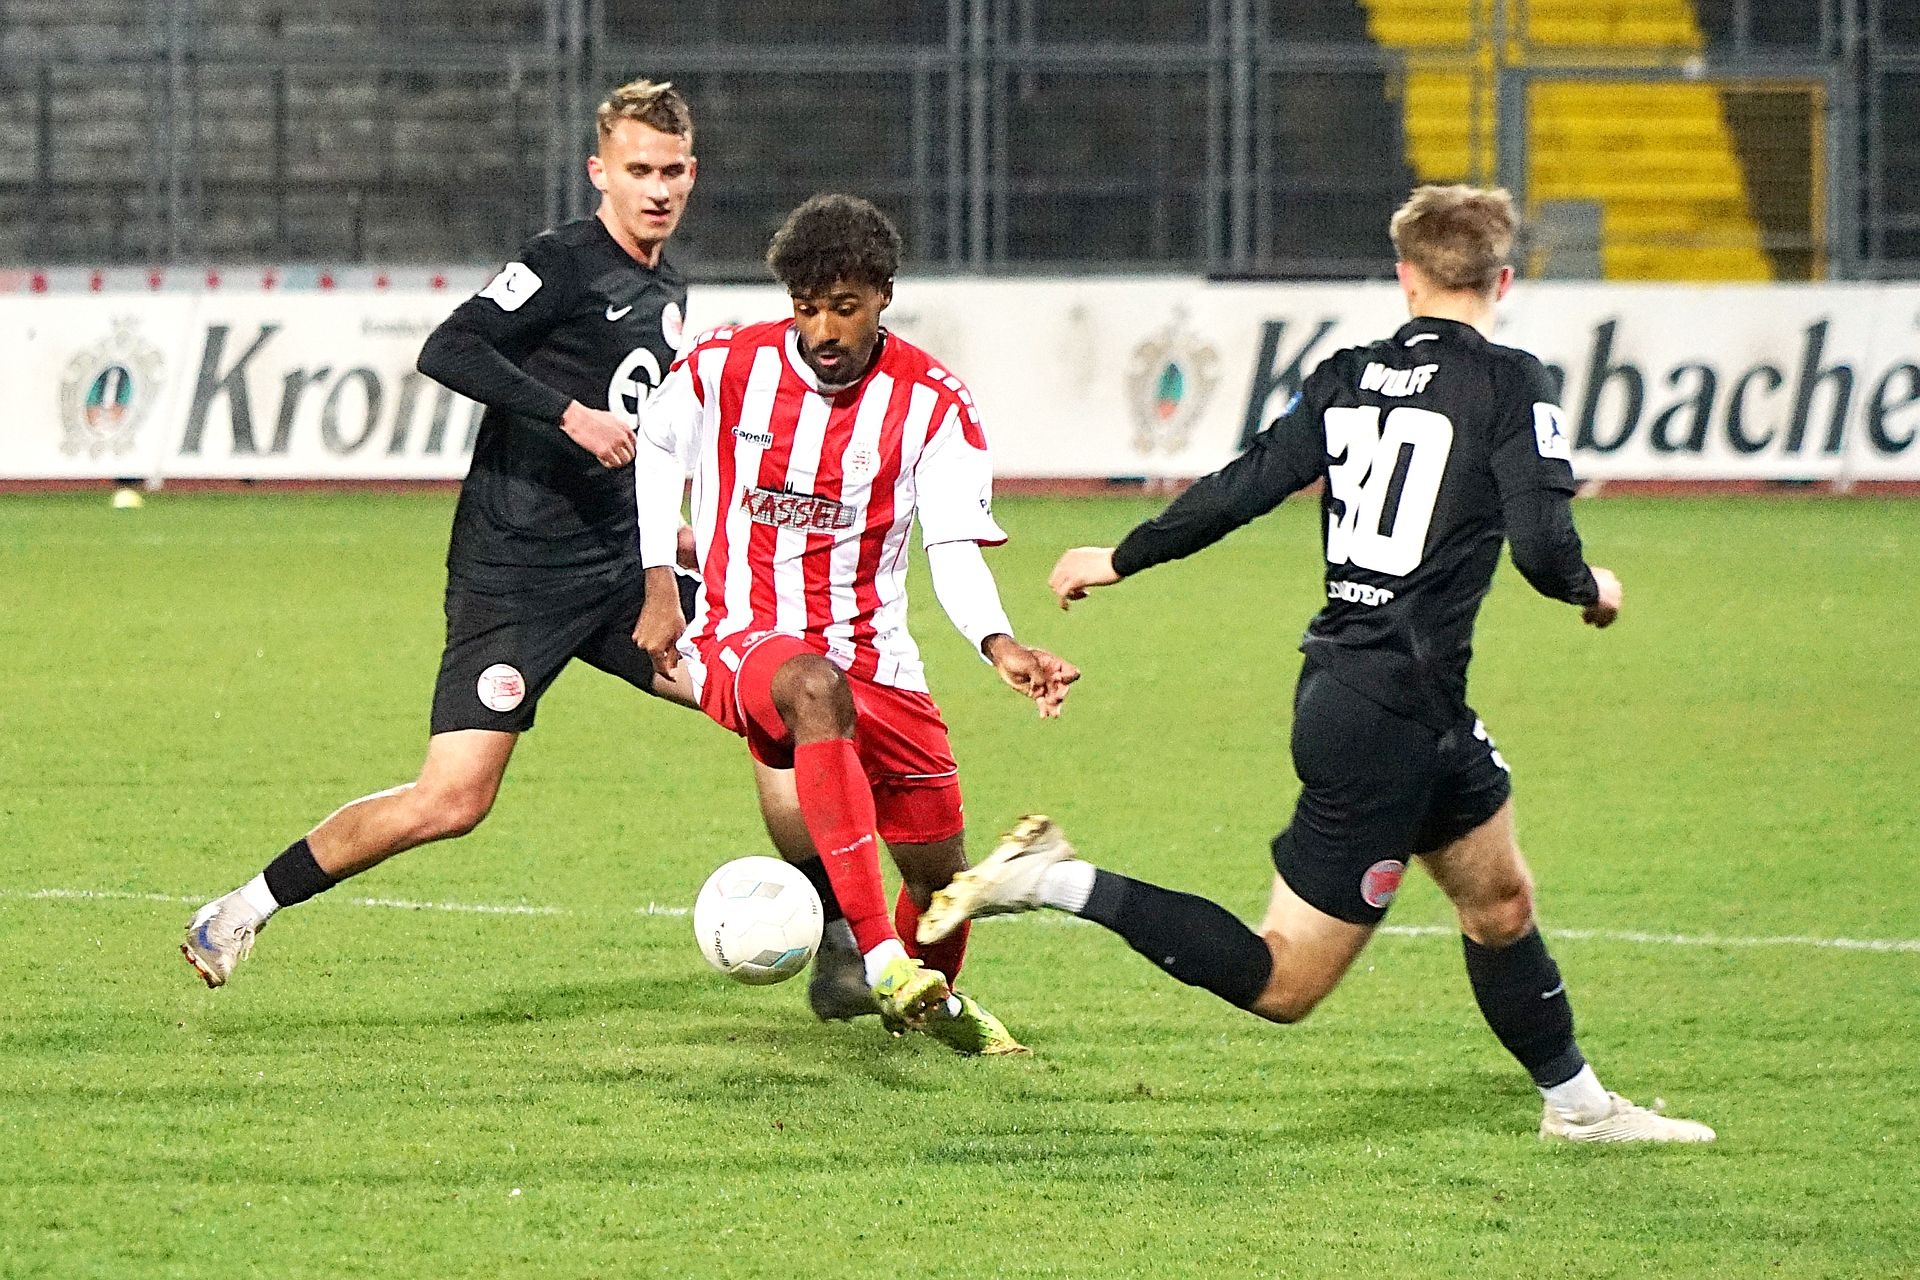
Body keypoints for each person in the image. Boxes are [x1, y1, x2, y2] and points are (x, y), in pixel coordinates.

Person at [919, 185, 1715, 1140]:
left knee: (1499, 901)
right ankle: (1053, 879)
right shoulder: (1510, 382)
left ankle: (1577, 1107)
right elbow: (1545, 550)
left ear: (1406, 276)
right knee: (1285, 981)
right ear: (1503, 281)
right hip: (1387, 715)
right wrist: (1595, 589)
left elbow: (1247, 484)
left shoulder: (1347, 375)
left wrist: (1121, 556)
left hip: (1387, 697)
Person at [180, 79, 847, 1002]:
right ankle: (240, 909)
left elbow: (637, 424)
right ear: (599, 172)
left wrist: (670, 530)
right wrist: (568, 414)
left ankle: (843, 940)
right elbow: (450, 347)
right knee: (452, 800)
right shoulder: (562, 261)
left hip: (622, 575)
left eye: (670, 172)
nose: (656, 189)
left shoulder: (665, 283)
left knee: (777, 702)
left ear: (692, 174)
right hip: (515, 578)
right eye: (637, 171)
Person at [631, 193, 1080, 1056]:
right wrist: (659, 581)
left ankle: (930, 1005)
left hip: (877, 656)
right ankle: (875, 953)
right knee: (811, 686)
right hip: (744, 635)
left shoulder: (933, 404)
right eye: (807, 308)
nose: (824, 331)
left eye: (844, 307)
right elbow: (657, 446)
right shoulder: (725, 366)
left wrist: (999, 643)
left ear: (883, 296)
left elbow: (952, 547)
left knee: (941, 884)